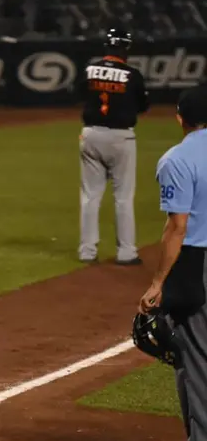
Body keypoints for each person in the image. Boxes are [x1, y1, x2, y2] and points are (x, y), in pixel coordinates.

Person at [139, 85, 207, 441]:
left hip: (197, 264)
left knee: (195, 360)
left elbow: (177, 228)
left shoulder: (177, 159)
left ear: (181, 118)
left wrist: (158, 283)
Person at [77, 27, 150, 265]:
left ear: (107, 46)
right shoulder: (132, 74)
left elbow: (80, 93)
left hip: (90, 135)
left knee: (90, 196)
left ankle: (87, 251)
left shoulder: (89, 69)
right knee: (123, 197)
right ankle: (126, 252)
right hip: (121, 138)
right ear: (126, 48)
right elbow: (142, 106)